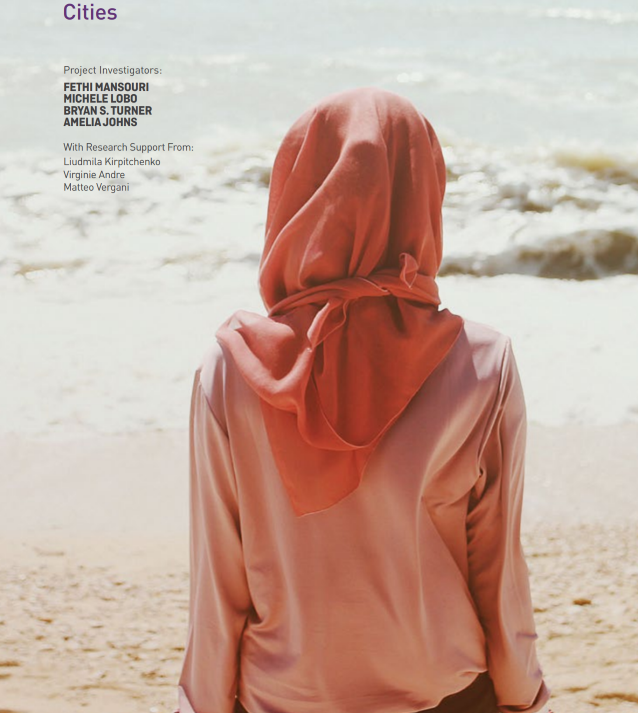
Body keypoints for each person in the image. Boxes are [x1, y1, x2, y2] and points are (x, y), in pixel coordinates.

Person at [176, 87, 550, 713]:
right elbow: (497, 568)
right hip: (447, 695)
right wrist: (523, 697)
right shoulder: (484, 362)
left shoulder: (233, 366)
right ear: (425, 195)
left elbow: (217, 577)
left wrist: (202, 705)